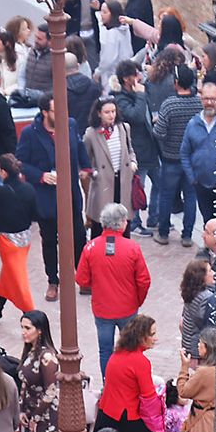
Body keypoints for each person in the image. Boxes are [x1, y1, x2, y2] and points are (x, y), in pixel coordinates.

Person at [17, 94, 90, 301]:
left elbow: (79, 148)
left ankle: (82, 276)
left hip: (70, 194)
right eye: (55, 111)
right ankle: (53, 281)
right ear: (45, 113)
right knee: (49, 240)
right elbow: (21, 161)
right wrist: (40, 176)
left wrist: (85, 167)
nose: (61, 114)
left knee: (78, 236)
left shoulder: (71, 125)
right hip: (46, 198)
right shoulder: (30, 133)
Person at [76, 202, 151, 373]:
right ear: (122, 222)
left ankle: (108, 384)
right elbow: (144, 280)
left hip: (103, 309)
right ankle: (129, 381)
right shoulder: (132, 248)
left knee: (105, 350)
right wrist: (137, 300)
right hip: (128, 307)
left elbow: (82, 279)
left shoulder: (90, 248)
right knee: (131, 349)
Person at [96, 315, 164, 432]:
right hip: (127, 417)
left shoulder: (117, 354)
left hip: (107, 414)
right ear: (141, 337)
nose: (156, 338)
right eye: (152, 334)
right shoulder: (140, 361)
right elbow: (149, 396)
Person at [0, 153, 38, 320]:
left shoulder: (1, 192)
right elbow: (34, 215)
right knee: (9, 274)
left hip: (7, 242)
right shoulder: (29, 189)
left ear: (3, 172)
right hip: (25, 241)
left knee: (18, 280)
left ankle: (31, 316)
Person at [150, 63, 202, 246]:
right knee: (190, 197)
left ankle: (163, 233)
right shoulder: (198, 104)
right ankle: (187, 236)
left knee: (166, 196)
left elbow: (159, 132)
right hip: (193, 160)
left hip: (171, 158)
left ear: (177, 82)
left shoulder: (169, 105)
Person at [111, 60, 159, 233]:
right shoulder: (120, 99)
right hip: (137, 150)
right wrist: (140, 95)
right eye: (135, 74)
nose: (139, 77)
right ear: (126, 79)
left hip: (150, 146)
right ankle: (136, 222)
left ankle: (154, 217)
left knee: (159, 183)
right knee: (137, 186)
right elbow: (136, 116)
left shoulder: (140, 90)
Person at [84, 97, 139, 240]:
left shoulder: (124, 128)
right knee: (100, 225)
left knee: (123, 221)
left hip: (123, 180)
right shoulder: (91, 133)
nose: (111, 115)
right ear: (99, 113)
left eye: (113, 111)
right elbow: (84, 159)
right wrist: (94, 173)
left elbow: (130, 149)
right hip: (103, 183)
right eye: (107, 112)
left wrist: (133, 161)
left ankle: (123, 252)